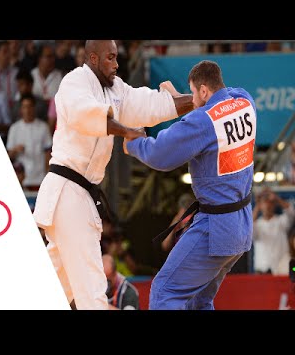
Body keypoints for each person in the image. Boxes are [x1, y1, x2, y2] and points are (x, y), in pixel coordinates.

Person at [33, 40, 194, 310]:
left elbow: (151, 105)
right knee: (92, 288)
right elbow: (85, 116)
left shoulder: (116, 89)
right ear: (93, 58)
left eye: (117, 57)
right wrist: (125, 131)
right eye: (110, 58)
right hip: (67, 191)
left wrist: (199, 101)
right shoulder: (75, 83)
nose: (116, 64)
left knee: (60, 285)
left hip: (80, 195)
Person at [124, 60, 257, 310]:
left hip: (215, 228)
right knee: (199, 301)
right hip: (241, 226)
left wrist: (134, 144)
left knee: (165, 291)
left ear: (203, 90)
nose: (192, 100)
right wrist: (182, 98)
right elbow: (214, 106)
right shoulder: (244, 101)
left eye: (194, 94)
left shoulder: (202, 123)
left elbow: (160, 155)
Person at [252, 187, 294, 275]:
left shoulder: (281, 221)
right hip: (262, 269)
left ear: (274, 205)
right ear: (261, 206)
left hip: (282, 268)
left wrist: (276, 198)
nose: (267, 205)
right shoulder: (257, 224)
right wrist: (257, 205)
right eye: (265, 203)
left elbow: (291, 212)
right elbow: (248, 230)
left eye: (270, 203)